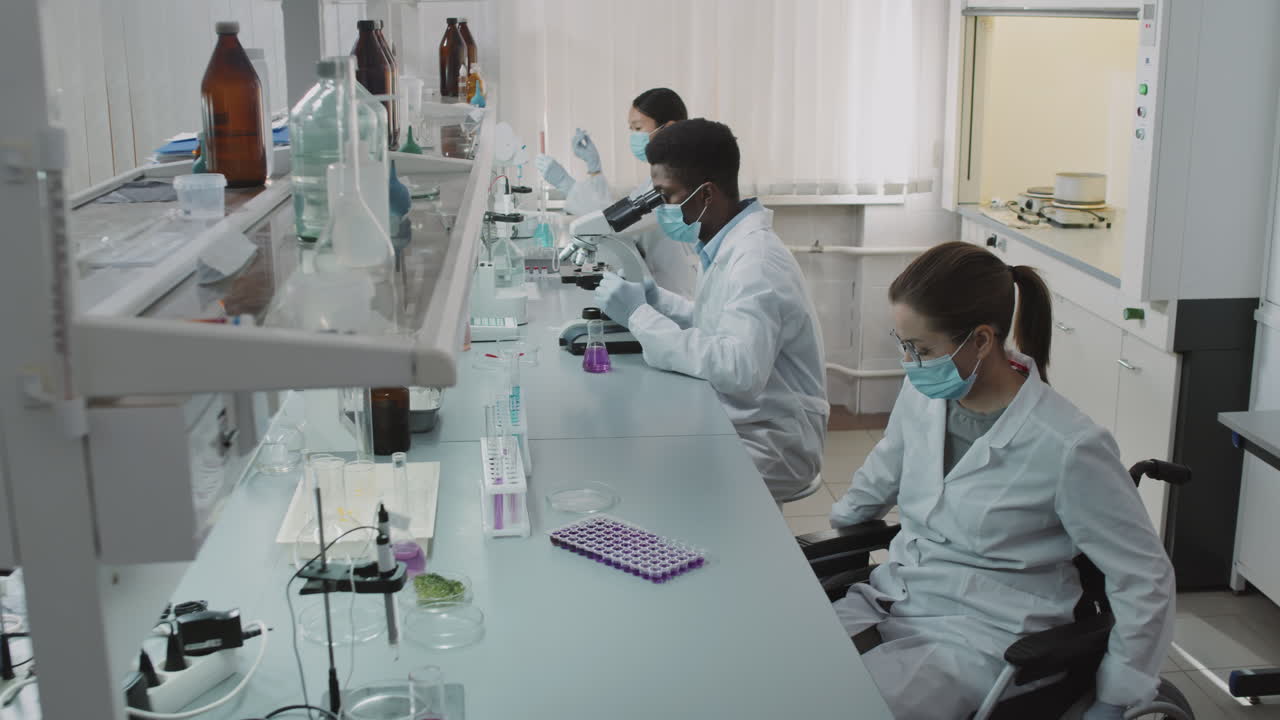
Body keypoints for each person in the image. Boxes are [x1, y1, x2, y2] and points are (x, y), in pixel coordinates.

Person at [828, 242, 1174, 720]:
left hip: (981, 638)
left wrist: (1117, 697)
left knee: (841, 706)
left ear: (982, 340)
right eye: (904, 344)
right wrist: (837, 527)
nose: (910, 362)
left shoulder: (1069, 445)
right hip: (895, 596)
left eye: (922, 349)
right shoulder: (924, 394)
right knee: (785, 669)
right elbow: (884, 468)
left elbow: (1144, 577)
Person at [592, 118, 828, 502]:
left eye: (665, 196)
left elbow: (738, 368)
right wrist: (657, 301)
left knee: (648, 478)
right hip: (745, 420)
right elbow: (716, 325)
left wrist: (638, 316)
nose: (660, 208)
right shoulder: (725, 244)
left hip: (774, 444)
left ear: (705, 195)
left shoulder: (757, 262)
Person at [535, 88, 700, 297]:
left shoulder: (676, 181)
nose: (633, 137)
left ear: (668, 129)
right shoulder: (660, 175)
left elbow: (616, 221)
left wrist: (566, 185)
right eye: (631, 129)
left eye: (638, 128)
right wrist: (594, 170)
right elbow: (618, 209)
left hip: (679, 291)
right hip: (663, 284)